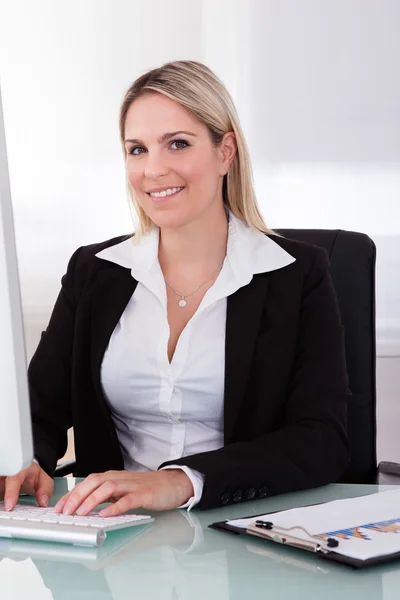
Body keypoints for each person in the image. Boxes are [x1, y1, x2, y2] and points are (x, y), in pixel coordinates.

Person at [1, 60, 350, 516]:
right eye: (137, 150)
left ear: (225, 152)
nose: (153, 169)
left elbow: (321, 439)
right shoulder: (95, 271)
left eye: (177, 144)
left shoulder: (297, 274)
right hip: (111, 534)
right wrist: (26, 459)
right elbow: (39, 409)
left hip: (241, 528)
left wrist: (182, 481)